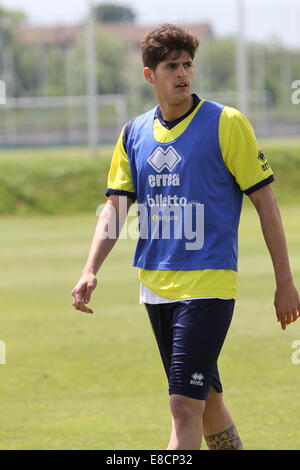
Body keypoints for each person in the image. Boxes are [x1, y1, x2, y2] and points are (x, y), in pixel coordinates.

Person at [71, 24, 300, 450]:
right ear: (149, 75)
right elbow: (116, 206)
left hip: (208, 285)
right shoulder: (133, 133)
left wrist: (284, 281)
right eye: (171, 66)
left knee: (182, 405)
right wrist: (89, 270)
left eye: (188, 64)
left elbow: (266, 203)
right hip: (155, 288)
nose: (182, 73)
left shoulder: (226, 123)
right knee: (206, 401)